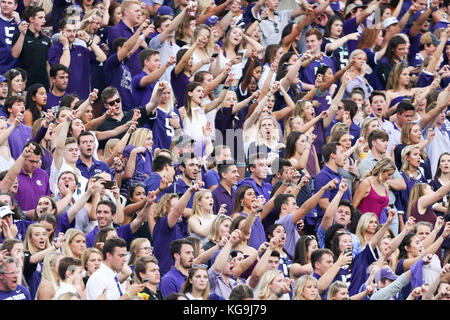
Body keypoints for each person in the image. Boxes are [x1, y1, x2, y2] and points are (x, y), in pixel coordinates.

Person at [11, 6, 52, 90]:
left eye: (44, 17)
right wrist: (22, 34)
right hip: (26, 86)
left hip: (43, 86)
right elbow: (15, 54)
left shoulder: (46, 40)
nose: (44, 21)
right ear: (31, 19)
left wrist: (51, 85)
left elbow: (47, 64)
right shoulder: (18, 36)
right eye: (40, 18)